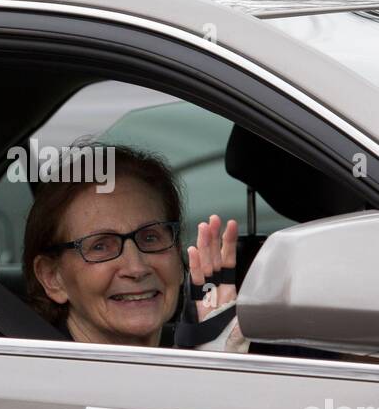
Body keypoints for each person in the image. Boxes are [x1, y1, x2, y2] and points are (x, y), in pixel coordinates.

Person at [23, 143, 247, 351]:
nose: (136, 268)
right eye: (101, 246)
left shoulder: (191, 349)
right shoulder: (26, 384)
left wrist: (216, 361)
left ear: (178, 255)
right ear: (52, 277)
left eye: (150, 238)